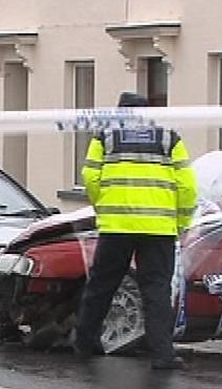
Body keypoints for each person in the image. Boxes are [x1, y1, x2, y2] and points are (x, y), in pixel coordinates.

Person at [72, 92, 198, 369]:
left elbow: (90, 176)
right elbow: (187, 186)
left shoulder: (105, 137)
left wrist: (103, 207)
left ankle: (84, 343)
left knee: (101, 285)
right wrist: (181, 222)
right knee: (156, 290)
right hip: (159, 228)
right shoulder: (169, 138)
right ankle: (162, 354)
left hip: (117, 225)